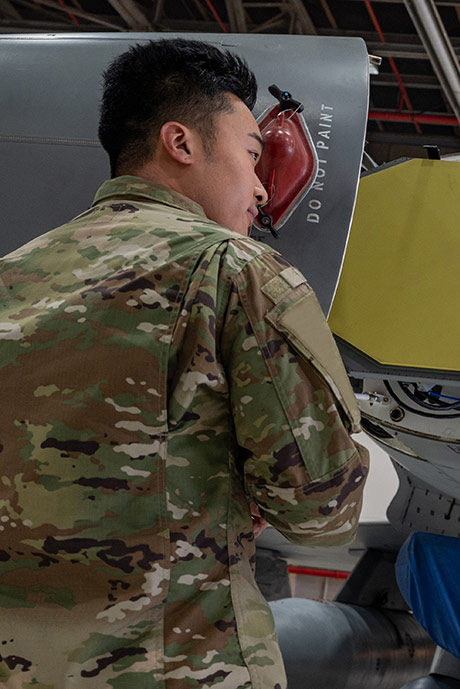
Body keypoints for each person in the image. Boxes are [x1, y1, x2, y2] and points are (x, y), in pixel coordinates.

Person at [0, 38, 369, 688]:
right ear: (181, 142)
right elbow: (322, 507)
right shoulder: (237, 272)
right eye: (252, 155)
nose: (260, 186)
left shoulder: (12, 278)